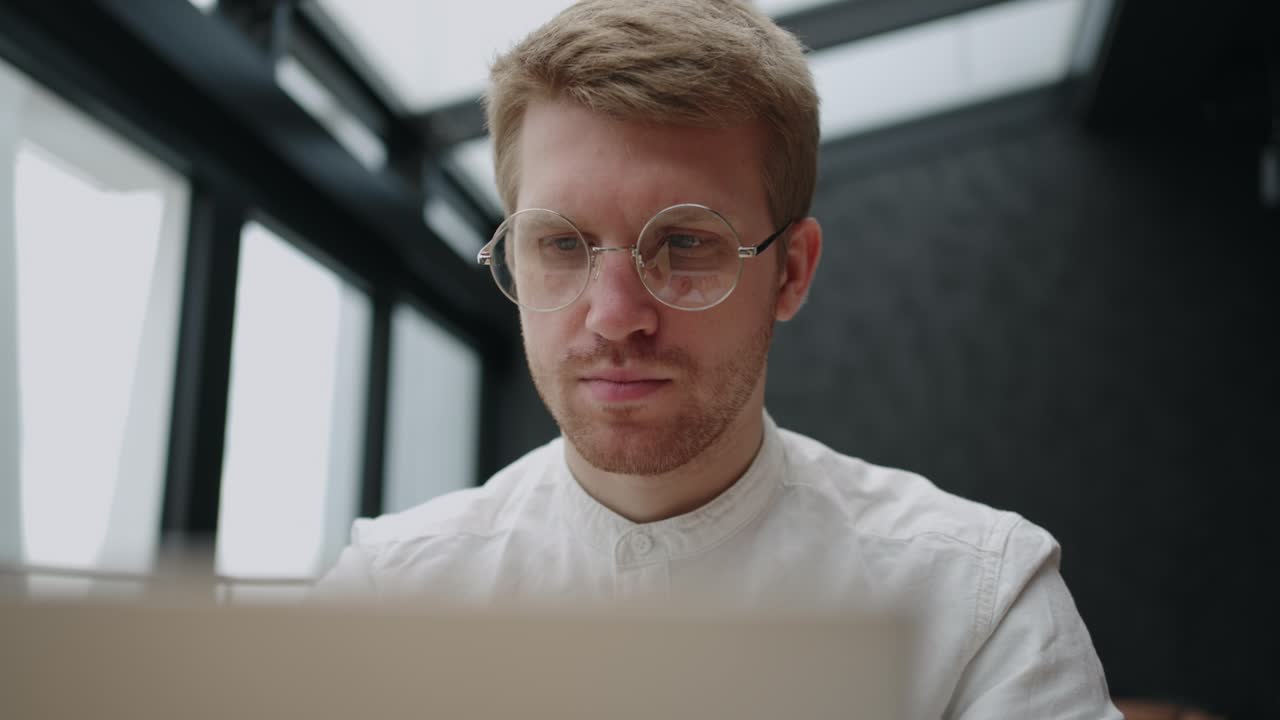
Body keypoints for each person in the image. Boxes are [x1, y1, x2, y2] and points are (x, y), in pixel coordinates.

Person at [316, 1, 1121, 717]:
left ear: (791, 271)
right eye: (561, 244)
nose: (615, 316)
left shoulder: (974, 602)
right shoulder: (393, 593)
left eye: (685, 242)